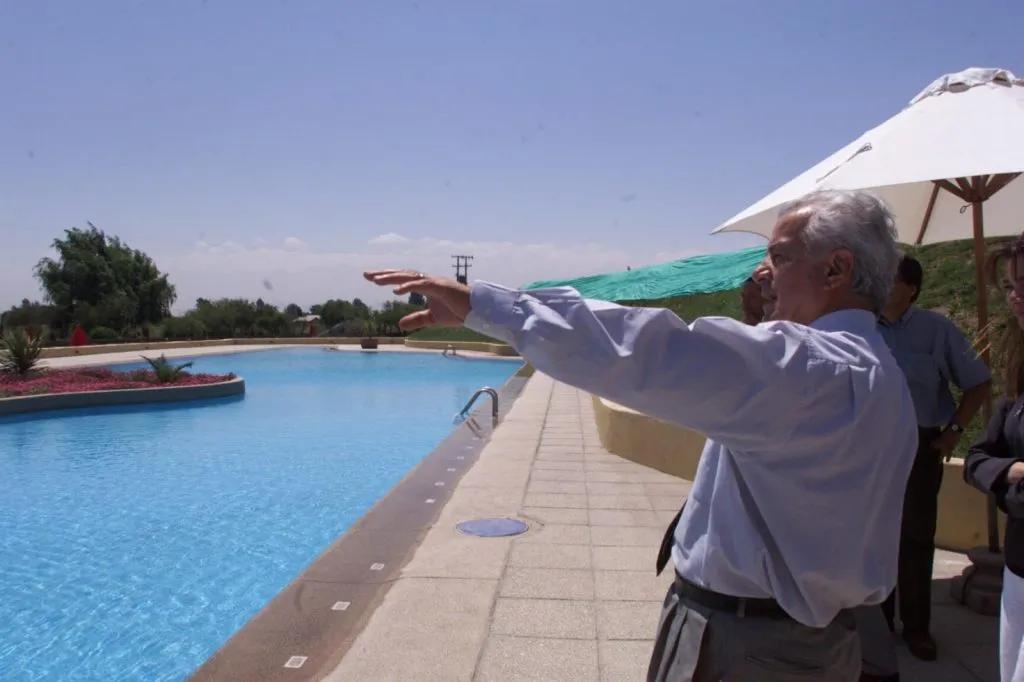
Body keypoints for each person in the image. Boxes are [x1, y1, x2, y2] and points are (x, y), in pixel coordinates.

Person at [365, 188, 918, 681]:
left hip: (752, 647)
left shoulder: (807, 369)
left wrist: (484, 305)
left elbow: (649, 353)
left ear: (835, 269)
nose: (763, 273)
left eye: (779, 255)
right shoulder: (882, 374)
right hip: (813, 641)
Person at [877, 255, 991, 661]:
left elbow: (978, 382)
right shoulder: (861, 328)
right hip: (870, 448)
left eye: (889, 278)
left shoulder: (936, 330)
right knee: (874, 535)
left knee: (916, 537)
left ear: (911, 287)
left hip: (921, 446)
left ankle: (917, 627)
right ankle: (877, 622)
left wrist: (953, 433)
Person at [964, 235, 1024, 682]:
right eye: (1008, 286)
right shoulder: (1020, 369)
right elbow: (979, 456)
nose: (1015, 297)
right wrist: (1010, 472)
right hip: (1018, 572)